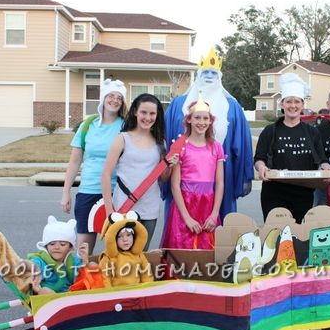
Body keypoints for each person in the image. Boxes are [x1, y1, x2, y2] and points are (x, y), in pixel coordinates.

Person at [163, 48, 253, 222]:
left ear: (219, 76)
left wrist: (244, 174)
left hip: (221, 173)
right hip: (183, 175)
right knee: (182, 226)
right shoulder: (178, 104)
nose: (209, 76)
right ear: (198, 75)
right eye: (205, 72)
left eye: (213, 72)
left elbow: (242, 145)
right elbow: (164, 140)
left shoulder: (232, 106)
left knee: (218, 225)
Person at [101, 93, 178, 250]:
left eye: (152, 113)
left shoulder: (160, 142)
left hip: (149, 209)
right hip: (123, 207)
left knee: (141, 255)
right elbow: (106, 174)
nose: (147, 118)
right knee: (120, 256)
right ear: (135, 111)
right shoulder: (122, 138)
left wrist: (170, 166)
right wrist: (110, 210)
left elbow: (162, 178)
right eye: (144, 112)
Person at [254, 73, 330, 223]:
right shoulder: (270, 131)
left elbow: (322, 159)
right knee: (276, 236)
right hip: (274, 193)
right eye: (289, 101)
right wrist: (261, 167)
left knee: (299, 239)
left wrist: (327, 168)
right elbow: (259, 159)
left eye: (297, 101)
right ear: (282, 104)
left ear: (302, 105)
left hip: (303, 194)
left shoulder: (312, 133)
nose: (293, 105)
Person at [61, 78, 127, 256]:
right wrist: (66, 192)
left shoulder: (126, 126)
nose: (114, 100)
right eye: (111, 96)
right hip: (87, 191)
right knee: (84, 250)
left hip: (116, 194)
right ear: (103, 99)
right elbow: (74, 162)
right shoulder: (87, 125)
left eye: (119, 98)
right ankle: (82, 281)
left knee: (116, 249)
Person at [161, 96, 225, 250]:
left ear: (210, 121)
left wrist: (214, 214)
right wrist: (187, 218)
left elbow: (220, 183)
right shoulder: (181, 146)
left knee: (208, 248)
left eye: (205, 118)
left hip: (208, 206)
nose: (201, 122)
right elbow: (175, 185)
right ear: (189, 119)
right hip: (185, 205)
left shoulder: (216, 147)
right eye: (197, 117)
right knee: (182, 247)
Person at [29, 215, 88, 294]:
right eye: (52, 244)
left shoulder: (75, 262)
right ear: (46, 246)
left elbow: (81, 283)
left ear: (70, 247)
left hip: (70, 298)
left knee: (92, 265)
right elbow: (29, 266)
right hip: (47, 300)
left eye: (62, 244)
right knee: (45, 291)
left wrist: (85, 262)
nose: (57, 247)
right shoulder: (40, 261)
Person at [98, 214, 154, 287]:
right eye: (119, 236)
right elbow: (105, 280)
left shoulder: (139, 255)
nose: (125, 240)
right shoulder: (107, 258)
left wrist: (147, 290)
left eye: (128, 235)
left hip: (136, 293)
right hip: (117, 295)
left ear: (134, 237)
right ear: (113, 239)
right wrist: (110, 295)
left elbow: (147, 275)